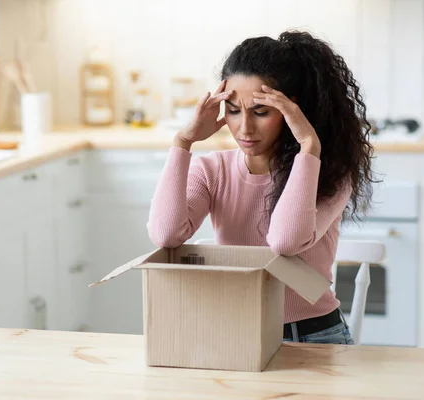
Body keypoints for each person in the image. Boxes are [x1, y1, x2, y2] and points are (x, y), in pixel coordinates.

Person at [147, 30, 375, 345]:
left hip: (314, 335)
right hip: (238, 333)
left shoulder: (328, 174)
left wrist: (308, 145)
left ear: (291, 110)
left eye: (261, 111)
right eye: (234, 110)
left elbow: (285, 242)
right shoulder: (213, 170)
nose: (244, 128)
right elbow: (165, 235)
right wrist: (183, 141)